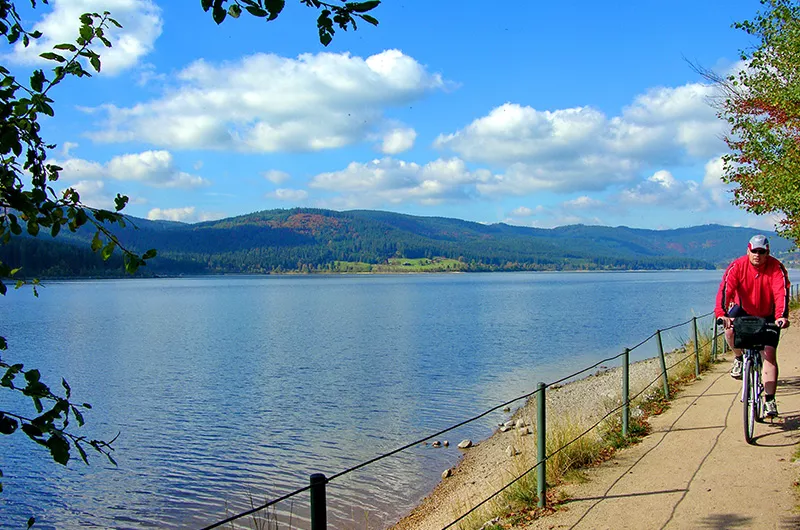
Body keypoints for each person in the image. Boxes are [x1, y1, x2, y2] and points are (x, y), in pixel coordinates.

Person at [715, 234, 791, 417]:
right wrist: (721, 314)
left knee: (769, 354)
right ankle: (739, 358)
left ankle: (770, 400)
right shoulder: (737, 266)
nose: (757, 255)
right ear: (748, 250)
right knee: (730, 329)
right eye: (754, 251)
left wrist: (781, 316)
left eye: (761, 251)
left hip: (769, 313)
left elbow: (781, 293)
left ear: (767, 252)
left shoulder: (776, 267)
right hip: (743, 310)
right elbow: (726, 290)